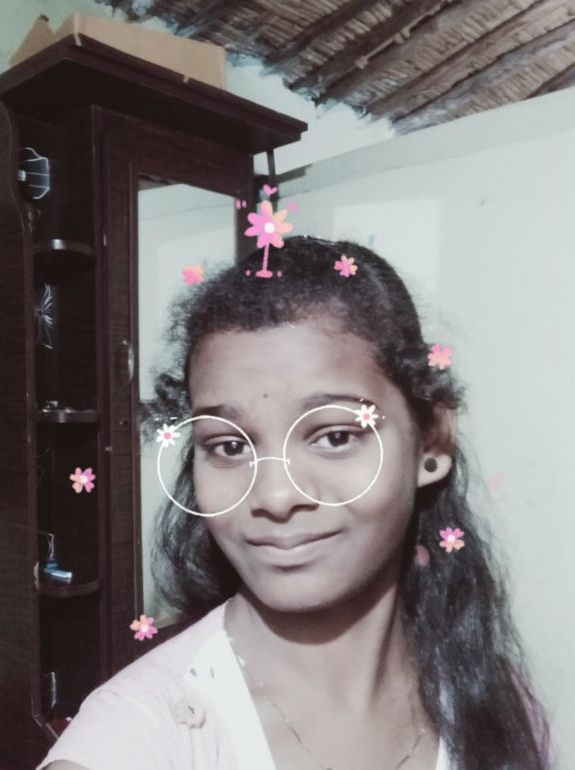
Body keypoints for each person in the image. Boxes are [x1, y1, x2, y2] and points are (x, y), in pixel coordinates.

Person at [39, 236, 551, 770]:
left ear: (432, 441)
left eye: (334, 436)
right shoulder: (138, 738)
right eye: (229, 446)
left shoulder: (491, 701)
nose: (276, 496)